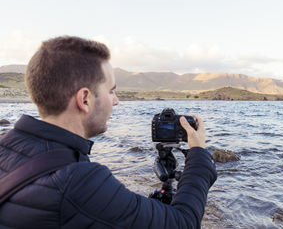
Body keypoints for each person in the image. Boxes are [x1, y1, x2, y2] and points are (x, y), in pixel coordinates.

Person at [0, 36, 217, 228]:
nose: (116, 101)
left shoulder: (6, 144)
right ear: (85, 99)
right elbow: (182, 223)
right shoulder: (78, 180)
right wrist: (198, 154)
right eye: (111, 91)